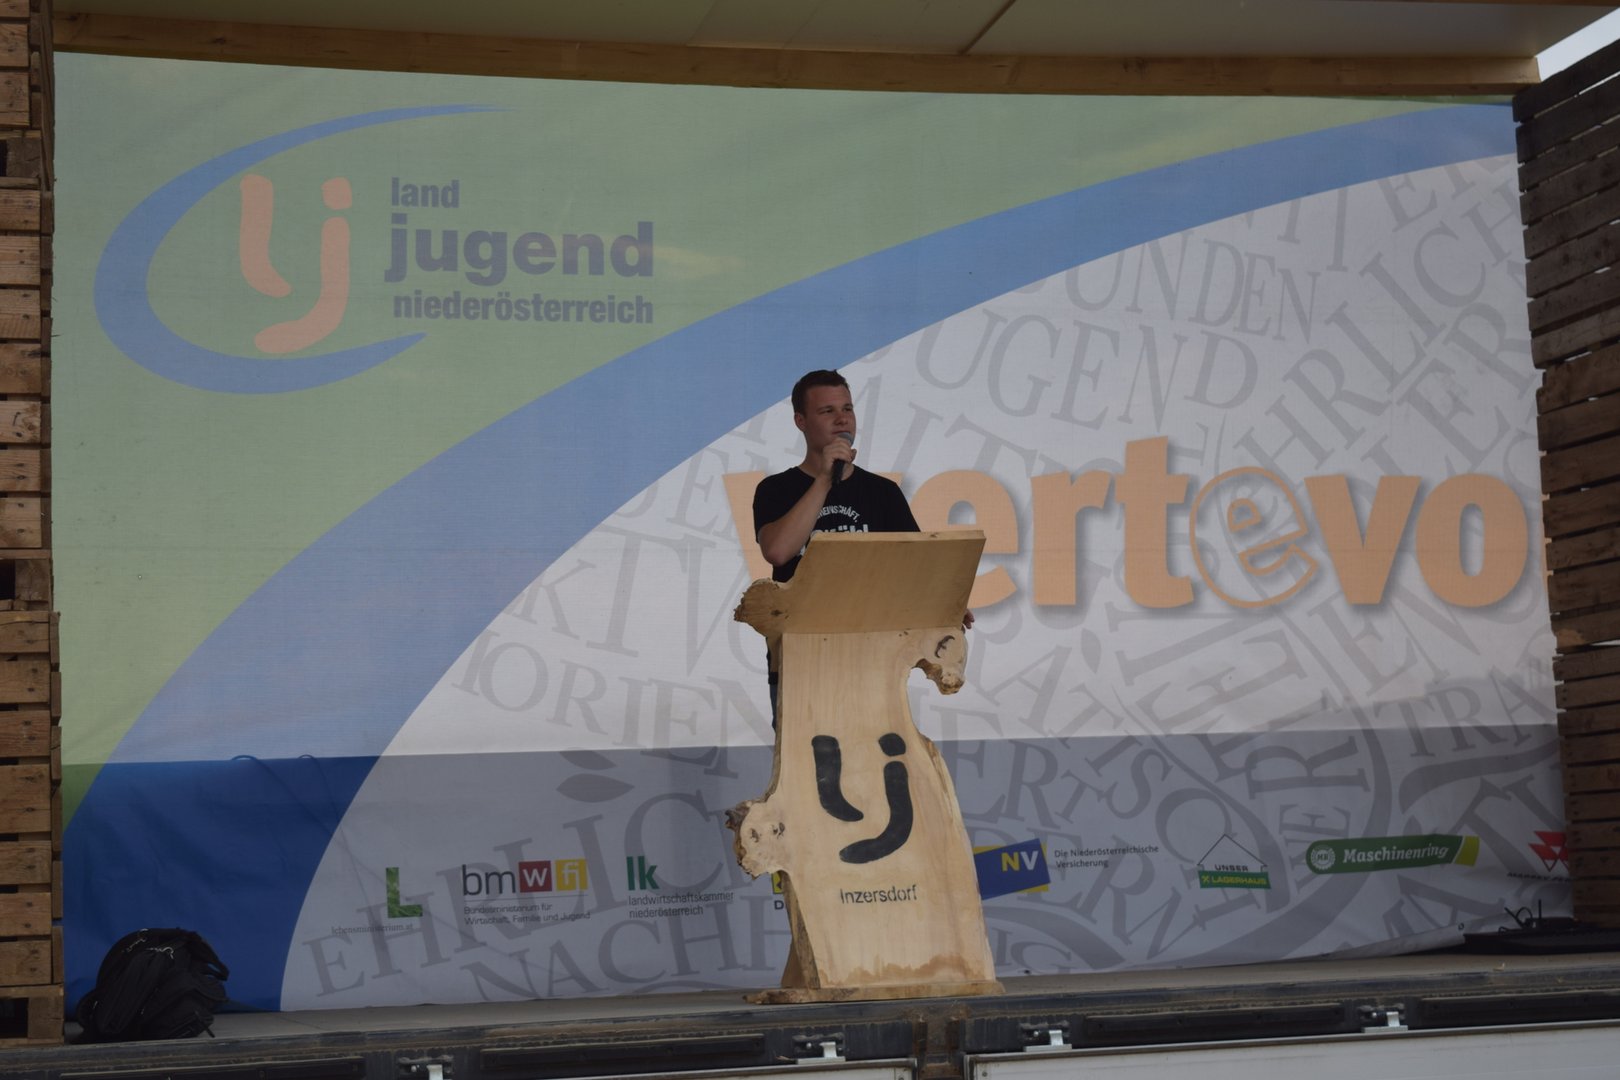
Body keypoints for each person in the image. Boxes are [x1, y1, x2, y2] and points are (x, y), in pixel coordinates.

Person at [752, 370, 971, 718]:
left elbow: (916, 567)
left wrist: (943, 604)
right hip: (801, 651)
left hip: (873, 652)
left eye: (848, 409)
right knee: (809, 751)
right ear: (800, 421)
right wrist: (824, 480)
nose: (842, 419)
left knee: (873, 747)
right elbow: (778, 551)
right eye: (827, 411)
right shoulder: (775, 489)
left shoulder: (883, 493)